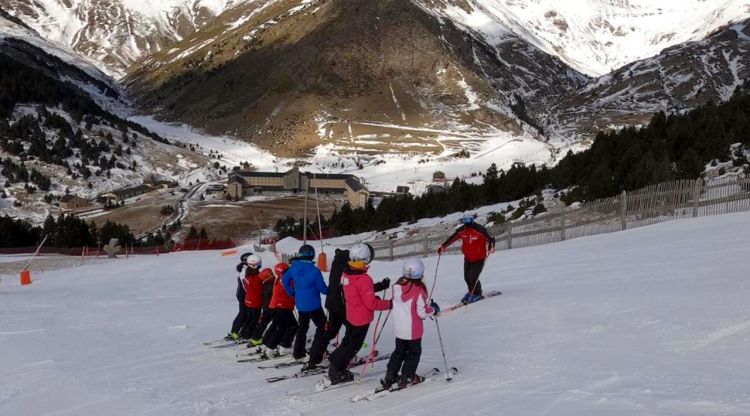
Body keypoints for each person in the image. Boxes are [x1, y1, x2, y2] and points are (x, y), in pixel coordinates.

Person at [304, 245, 389, 371]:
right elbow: (357, 287)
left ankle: (315, 359)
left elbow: (353, 287)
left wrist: (378, 287)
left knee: (330, 332)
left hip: (334, 303)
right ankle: (341, 359)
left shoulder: (339, 262)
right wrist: (378, 288)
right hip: (344, 305)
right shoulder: (349, 267)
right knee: (351, 337)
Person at [327, 242, 392, 385]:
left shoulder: (346, 272)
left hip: (351, 315)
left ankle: (335, 362)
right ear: (366, 260)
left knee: (347, 341)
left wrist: (379, 287)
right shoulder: (364, 279)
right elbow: (371, 304)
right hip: (361, 319)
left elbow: (358, 292)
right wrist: (390, 304)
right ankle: (337, 371)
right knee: (353, 346)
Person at [381, 258, 439, 389]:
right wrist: (433, 310)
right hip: (413, 331)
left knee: (399, 352)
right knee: (413, 353)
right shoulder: (419, 290)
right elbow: (422, 312)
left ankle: (390, 375)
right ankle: (407, 376)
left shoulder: (397, 287)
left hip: (400, 329)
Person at [282, 244, 329, 362]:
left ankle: (298, 352)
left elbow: (284, 279)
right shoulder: (314, 271)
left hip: (301, 305)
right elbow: (323, 289)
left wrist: (290, 292)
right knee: (323, 327)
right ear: (312, 256)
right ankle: (317, 350)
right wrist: (332, 291)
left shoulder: (293, 268)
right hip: (314, 306)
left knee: (302, 328)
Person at [438, 213, 496, 303]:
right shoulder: (461, 230)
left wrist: (491, 247)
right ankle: (471, 292)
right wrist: (443, 247)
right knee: (466, 277)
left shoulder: (480, 229)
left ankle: (477, 294)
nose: (467, 222)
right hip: (468, 257)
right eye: (465, 220)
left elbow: (491, 238)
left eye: (469, 220)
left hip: (479, 257)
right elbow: (452, 238)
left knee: (473, 276)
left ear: (472, 220)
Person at [260, 262, 298, 358]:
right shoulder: (287, 279)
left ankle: (266, 345)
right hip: (282, 307)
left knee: (276, 326)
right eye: (286, 269)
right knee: (292, 326)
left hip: (276, 306)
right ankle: (283, 346)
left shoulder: (279, 278)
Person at [227, 252, 252, 341]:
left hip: (242, 293)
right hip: (243, 294)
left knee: (243, 313)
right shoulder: (245, 271)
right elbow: (246, 285)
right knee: (243, 313)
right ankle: (235, 332)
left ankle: (236, 331)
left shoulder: (245, 269)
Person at [239, 254, 264, 340]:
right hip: (255, 301)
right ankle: (248, 334)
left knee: (249, 318)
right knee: (254, 319)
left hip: (248, 299)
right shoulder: (256, 277)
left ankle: (243, 332)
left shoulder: (247, 272)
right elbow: (259, 290)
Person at [250, 266, 275, 346]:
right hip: (270, 308)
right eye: (271, 274)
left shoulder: (266, 285)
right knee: (275, 323)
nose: (273, 275)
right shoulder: (270, 286)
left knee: (263, 322)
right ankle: (268, 339)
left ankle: (255, 338)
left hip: (266, 307)